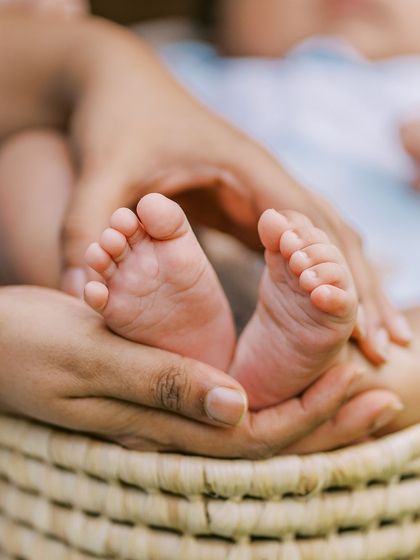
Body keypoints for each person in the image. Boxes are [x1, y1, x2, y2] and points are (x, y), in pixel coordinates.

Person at [0, 11, 403, 457]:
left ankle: (323, 366)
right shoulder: (181, 67)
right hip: (197, 262)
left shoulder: (406, 82)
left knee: (399, 345)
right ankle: (118, 338)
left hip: (385, 296)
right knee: (31, 156)